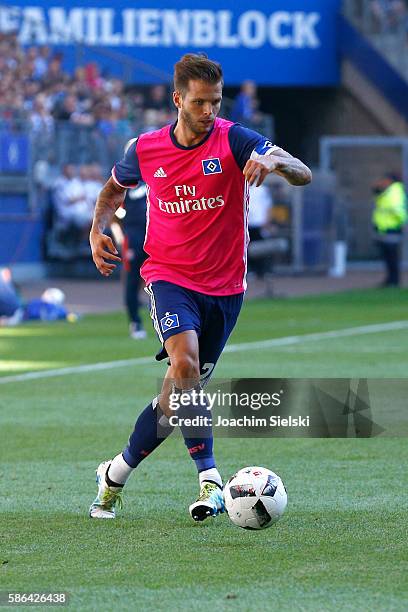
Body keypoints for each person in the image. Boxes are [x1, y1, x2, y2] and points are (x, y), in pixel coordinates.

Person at [88, 53, 311, 521]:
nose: (210, 111)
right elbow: (113, 190)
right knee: (184, 362)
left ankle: (114, 475)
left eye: (215, 101)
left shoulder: (236, 140)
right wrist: (97, 229)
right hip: (168, 277)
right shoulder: (145, 149)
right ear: (178, 100)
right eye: (200, 102)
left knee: (177, 400)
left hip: (226, 289)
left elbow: (302, 173)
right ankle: (210, 481)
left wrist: (274, 161)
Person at [372, 173, 407, 287]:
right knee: (388, 256)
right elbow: (377, 195)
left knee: (392, 256)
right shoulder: (388, 191)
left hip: (392, 228)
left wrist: (400, 222)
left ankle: (394, 280)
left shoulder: (394, 191)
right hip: (385, 228)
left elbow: (397, 210)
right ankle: (390, 279)